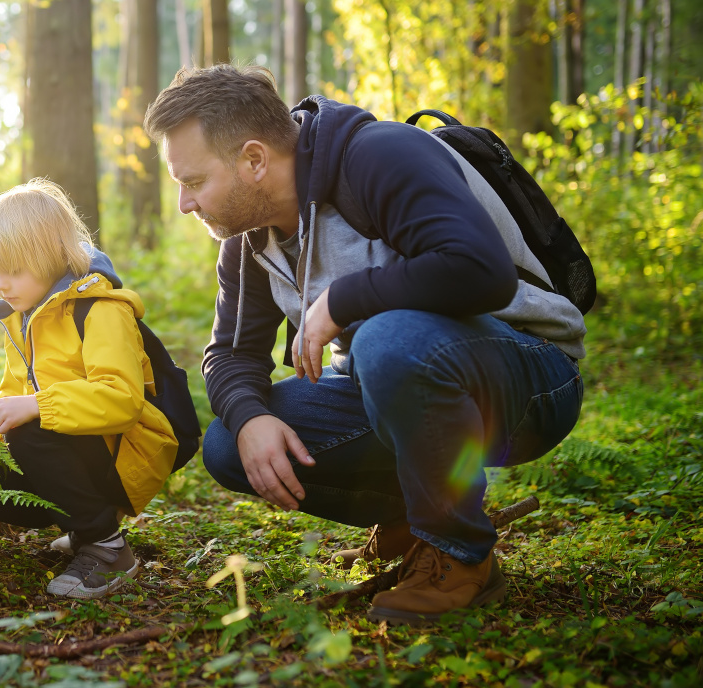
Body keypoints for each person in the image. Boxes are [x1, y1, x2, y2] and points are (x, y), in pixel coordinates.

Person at [143, 64, 586, 624]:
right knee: (230, 444)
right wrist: (250, 415)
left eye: (193, 181)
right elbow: (230, 354)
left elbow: (482, 271)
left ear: (254, 159)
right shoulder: (249, 239)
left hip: (530, 375)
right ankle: (415, 518)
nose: (185, 203)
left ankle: (458, 553)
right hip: (399, 382)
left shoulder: (379, 156)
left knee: (386, 339)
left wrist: (345, 299)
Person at [0, 179, 178, 599]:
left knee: (31, 433)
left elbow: (120, 400)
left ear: (50, 258)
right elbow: (16, 392)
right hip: (82, 443)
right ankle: (85, 527)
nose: (1, 285)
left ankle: (107, 548)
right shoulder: (23, 319)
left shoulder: (101, 311)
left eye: (13, 270)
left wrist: (34, 407)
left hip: (127, 448)